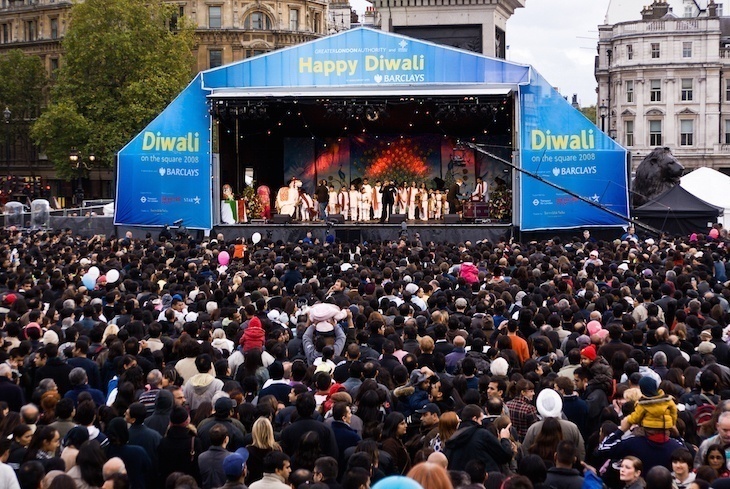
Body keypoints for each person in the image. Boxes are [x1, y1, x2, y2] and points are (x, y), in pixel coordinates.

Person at [443, 404, 514, 473]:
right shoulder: (482, 434)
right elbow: (505, 456)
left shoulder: (452, 438)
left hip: (458, 481)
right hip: (483, 480)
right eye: (481, 420)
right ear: (475, 419)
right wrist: (504, 439)